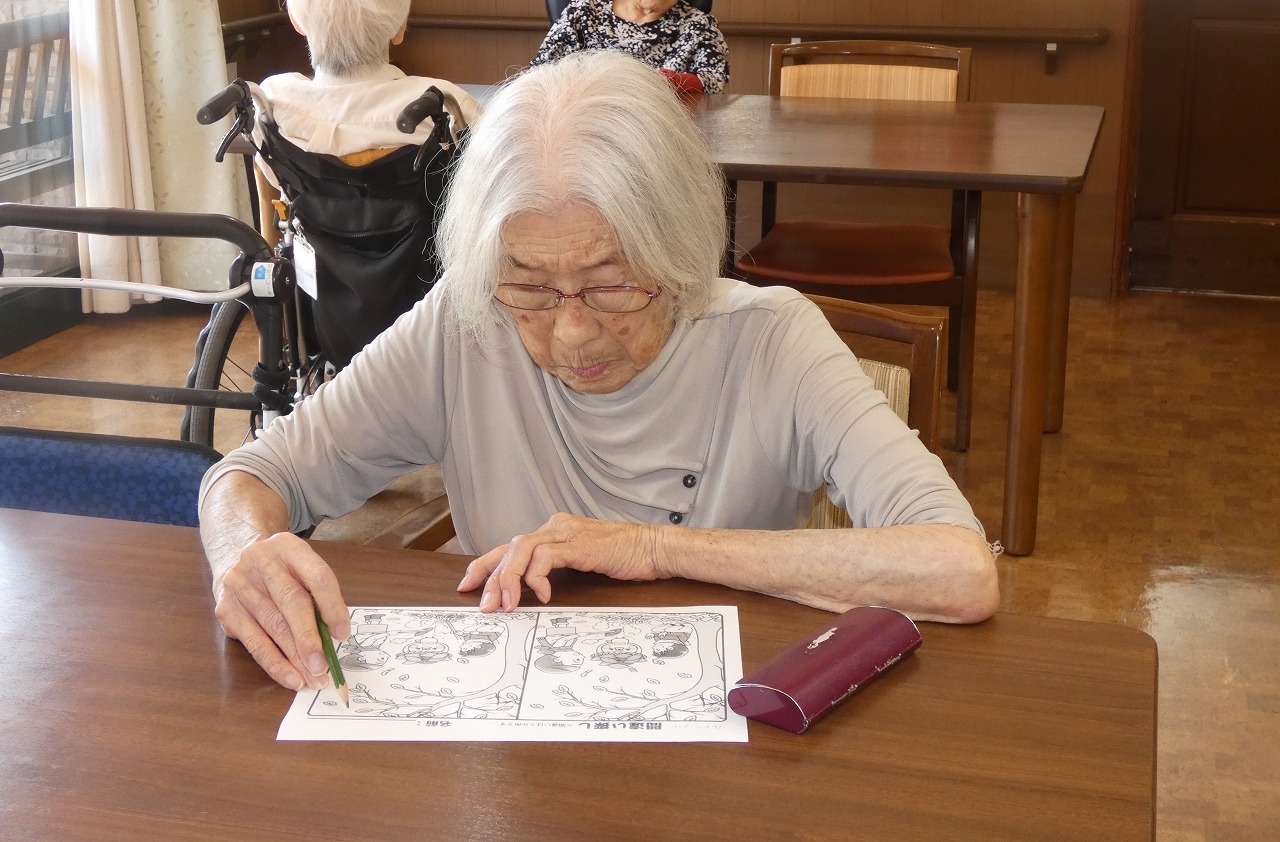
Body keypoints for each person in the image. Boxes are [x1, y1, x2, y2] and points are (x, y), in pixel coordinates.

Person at [199, 50, 999, 694]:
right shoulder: (466, 323)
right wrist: (242, 554)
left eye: (612, 285)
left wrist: (656, 548)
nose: (572, 332)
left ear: (679, 251)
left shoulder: (772, 343)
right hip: (519, 745)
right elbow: (252, 475)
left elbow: (959, 570)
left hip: (731, 738)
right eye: (530, 288)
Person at [253, 0, 482, 181]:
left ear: (296, 22)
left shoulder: (272, 102)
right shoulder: (447, 106)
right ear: (400, 28)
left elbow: (276, 180)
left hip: (309, 228)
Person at [531, 0, 728, 94]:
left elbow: (714, 79)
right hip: (587, 121)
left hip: (663, 129)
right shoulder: (584, 11)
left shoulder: (698, 24)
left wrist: (671, 81)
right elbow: (542, 70)